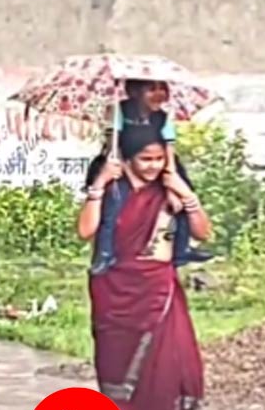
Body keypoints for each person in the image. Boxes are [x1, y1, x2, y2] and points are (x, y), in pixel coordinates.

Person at [77, 125, 210, 410]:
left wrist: (183, 191)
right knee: (118, 369)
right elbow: (85, 231)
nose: (152, 166)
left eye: (158, 159)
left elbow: (202, 232)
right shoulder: (113, 189)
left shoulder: (169, 190)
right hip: (115, 289)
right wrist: (100, 183)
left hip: (159, 287)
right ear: (128, 157)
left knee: (170, 367)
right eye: (144, 159)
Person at [88, 79, 211, 275]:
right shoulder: (119, 111)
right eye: (151, 89)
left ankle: (182, 249)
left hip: (160, 164)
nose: (159, 94)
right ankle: (104, 253)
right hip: (122, 164)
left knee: (183, 197)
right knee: (114, 204)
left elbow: (169, 149)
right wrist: (129, 175)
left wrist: (171, 182)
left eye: (162, 89)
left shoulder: (163, 117)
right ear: (135, 91)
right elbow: (114, 146)